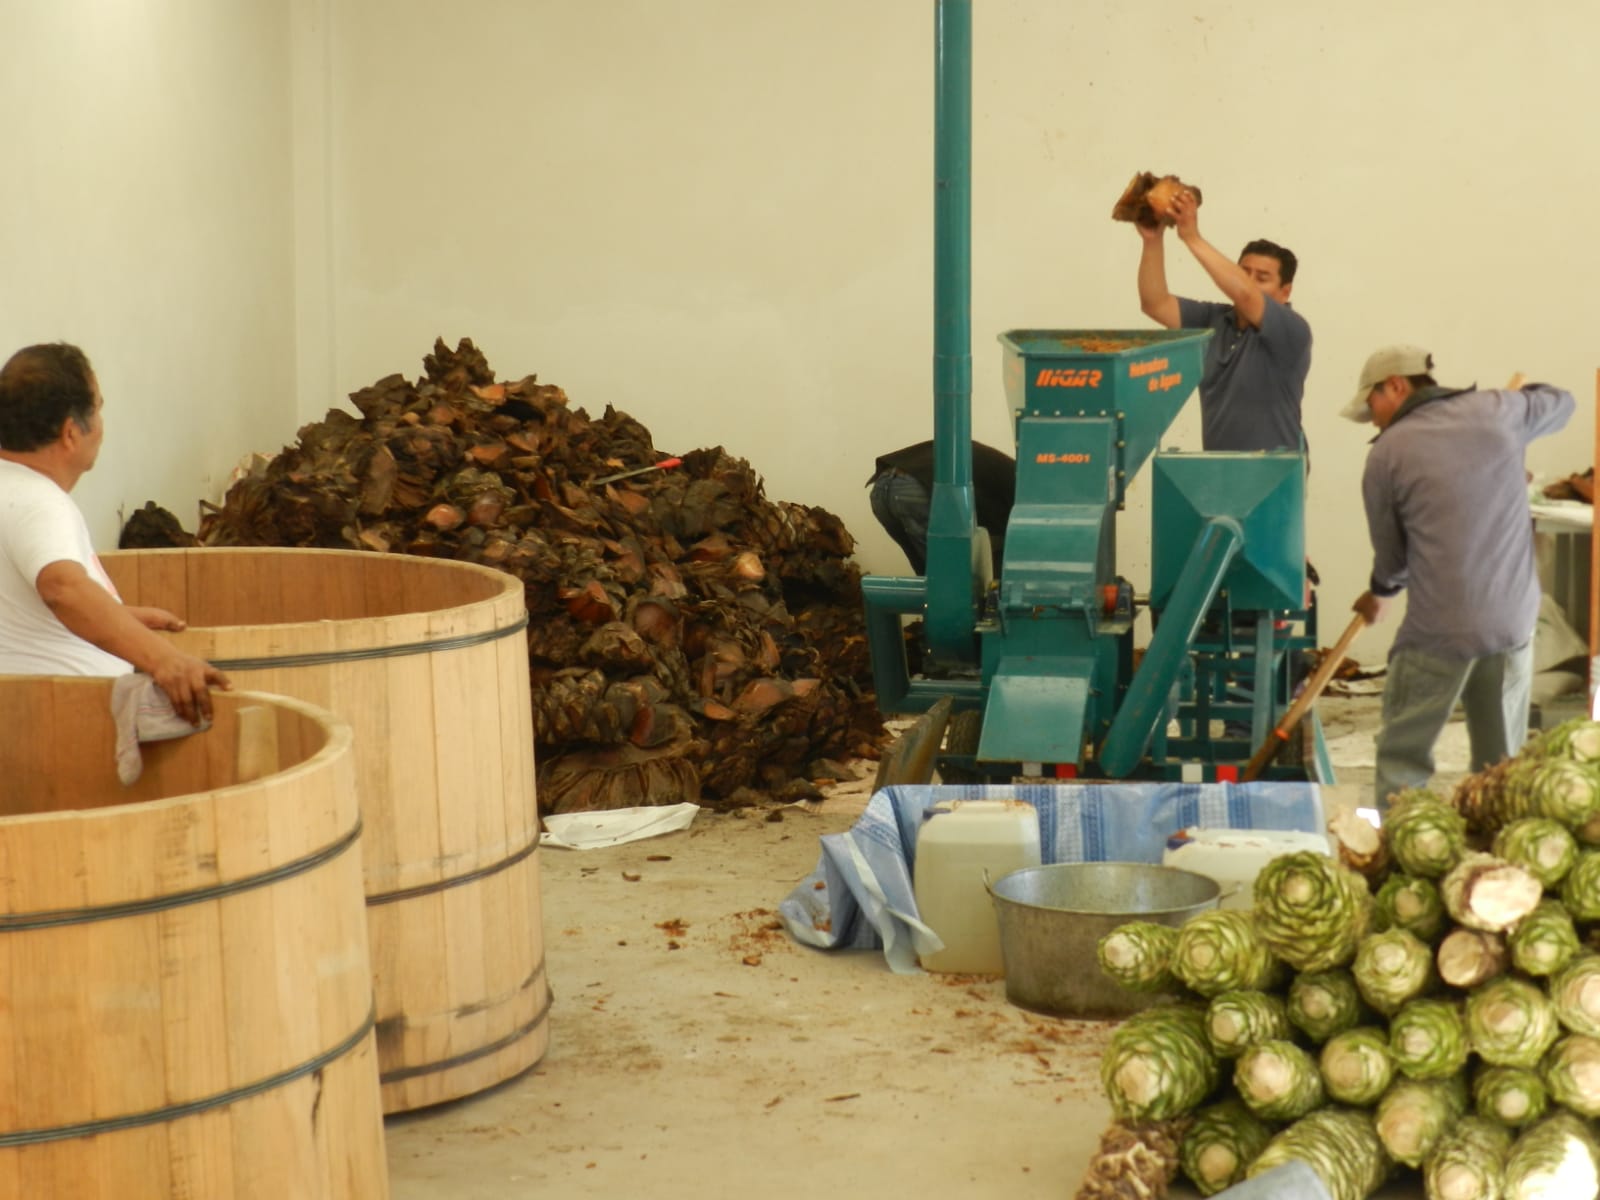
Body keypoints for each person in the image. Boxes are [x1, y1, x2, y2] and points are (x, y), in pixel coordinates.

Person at [1343, 344, 1573, 812]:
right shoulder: (1498, 411)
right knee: (1500, 762)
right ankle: (1501, 850)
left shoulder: (1387, 454)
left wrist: (1381, 592)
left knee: (1404, 755)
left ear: (1396, 385)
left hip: (1440, 629)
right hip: (1511, 621)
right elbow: (1562, 401)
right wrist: (1518, 405)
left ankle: (1403, 850)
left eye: (1372, 407)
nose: (1372, 420)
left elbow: (1393, 561)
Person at [0, 342, 229, 724]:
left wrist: (116, 616)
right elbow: (63, 588)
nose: (103, 425)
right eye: (99, 409)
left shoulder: (13, 490)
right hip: (61, 725)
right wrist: (164, 660)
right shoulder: (38, 502)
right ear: (71, 433)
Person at [1134, 190, 1311, 455]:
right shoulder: (1213, 320)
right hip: (1220, 472)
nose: (1249, 281)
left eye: (1262, 278)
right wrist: (1152, 240)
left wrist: (1191, 237)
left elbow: (1245, 294)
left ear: (1285, 292)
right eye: (1243, 272)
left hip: (1277, 475)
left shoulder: (1292, 330)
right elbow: (1155, 303)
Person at [867, 440, 1016, 577]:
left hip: (881, 487)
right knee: (951, 577)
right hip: (916, 486)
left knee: (929, 571)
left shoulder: (1012, 480)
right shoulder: (1024, 496)